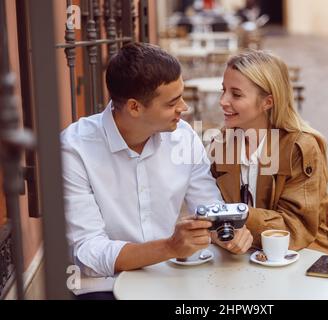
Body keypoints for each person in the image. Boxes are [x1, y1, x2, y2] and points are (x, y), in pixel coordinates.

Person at [61, 43, 252, 299]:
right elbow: (88, 252)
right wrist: (169, 247)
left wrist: (227, 232)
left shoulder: (183, 137)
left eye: (181, 96)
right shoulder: (74, 148)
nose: (184, 108)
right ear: (134, 107)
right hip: (103, 287)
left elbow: (207, 207)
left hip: (170, 276)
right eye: (172, 102)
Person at [209, 50, 328, 297]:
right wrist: (219, 232)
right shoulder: (222, 143)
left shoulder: (301, 147)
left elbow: (295, 230)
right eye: (224, 90)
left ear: (268, 102)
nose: (223, 100)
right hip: (242, 263)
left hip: (307, 259)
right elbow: (210, 211)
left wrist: (236, 216)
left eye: (236, 94)